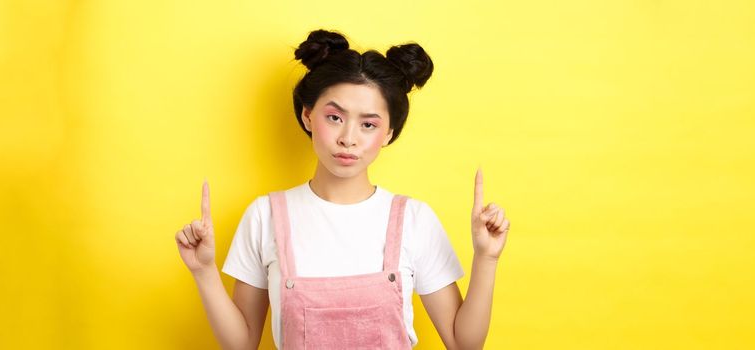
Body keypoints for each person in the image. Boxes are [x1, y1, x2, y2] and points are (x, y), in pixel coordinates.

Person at [174, 29, 511, 349]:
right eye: (335, 117)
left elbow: (464, 343)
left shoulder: (414, 219)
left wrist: (487, 258)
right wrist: (203, 272)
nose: (348, 138)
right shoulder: (265, 215)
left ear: (390, 133)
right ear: (308, 116)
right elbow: (242, 344)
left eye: (368, 124)